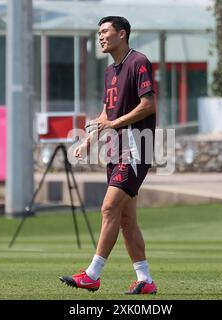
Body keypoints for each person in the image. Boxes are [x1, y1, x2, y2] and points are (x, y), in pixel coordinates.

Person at [59, 16, 157, 294]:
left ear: (122, 34)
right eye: (98, 32)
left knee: (108, 208)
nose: (100, 36)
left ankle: (92, 274)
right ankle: (145, 280)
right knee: (126, 220)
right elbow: (107, 113)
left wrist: (112, 124)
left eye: (105, 31)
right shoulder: (110, 71)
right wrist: (90, 140)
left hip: (137, 147)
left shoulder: (139, 62)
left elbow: (148, 105)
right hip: (116, 150)